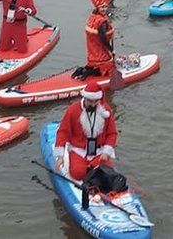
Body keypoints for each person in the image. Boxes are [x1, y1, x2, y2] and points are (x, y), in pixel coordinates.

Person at [54, 78, 128, 211]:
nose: (93, 104)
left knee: (107, 173)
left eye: (95, 102)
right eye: (90, 101)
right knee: (77, 173)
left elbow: (112, 134)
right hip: (79, 150)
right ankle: (90, 174)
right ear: (84, 98)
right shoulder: (72, 110)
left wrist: (106, 152)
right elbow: (63, 132)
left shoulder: (106, 111)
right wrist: (60, 156)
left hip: (99, 152)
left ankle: (96, 179)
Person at [73, 0, 115, 79]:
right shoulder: (102, 21)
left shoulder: (93, 17)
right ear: (98, 8)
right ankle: (87, 72)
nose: (104, 9)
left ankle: (84, 70)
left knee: (94, 63)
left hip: (92, 52)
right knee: (109, 66)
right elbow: (103, 38)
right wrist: (111, 49)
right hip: (101, 53)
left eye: (105, 7)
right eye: (102, 7)